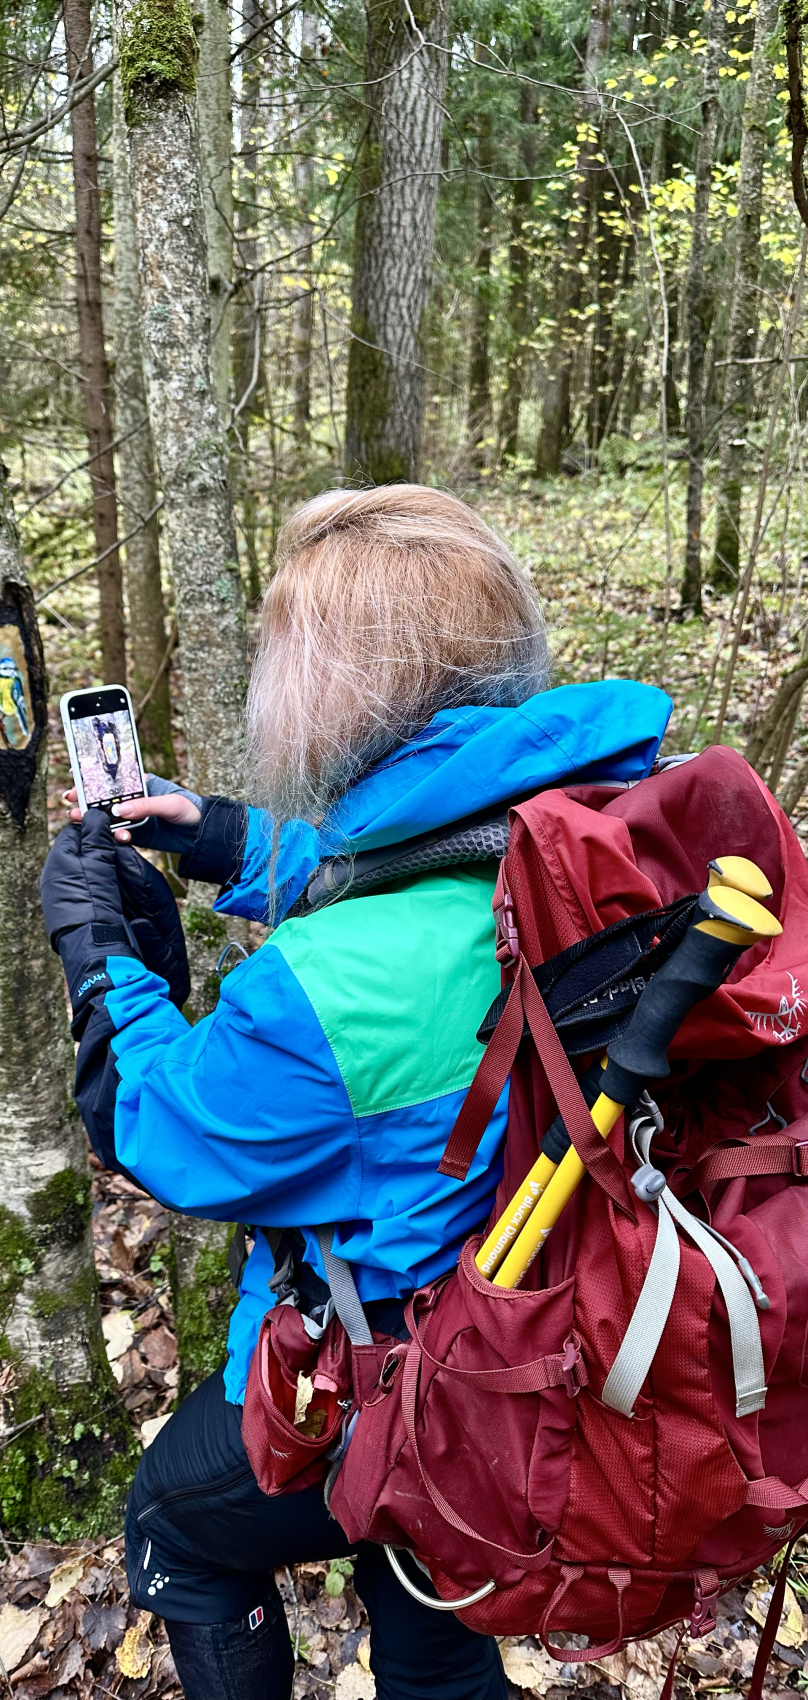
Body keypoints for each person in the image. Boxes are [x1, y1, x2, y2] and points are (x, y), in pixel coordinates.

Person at [40, 485, 672, 1700]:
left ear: (336, 694)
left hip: (389, 1368)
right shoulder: (586, 826)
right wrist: (226, 837)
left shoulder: (314, 995)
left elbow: (163, 1127)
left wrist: (98, 956)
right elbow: (426, 880)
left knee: (175, 1525)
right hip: (532, 1341)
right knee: (427, 1623)